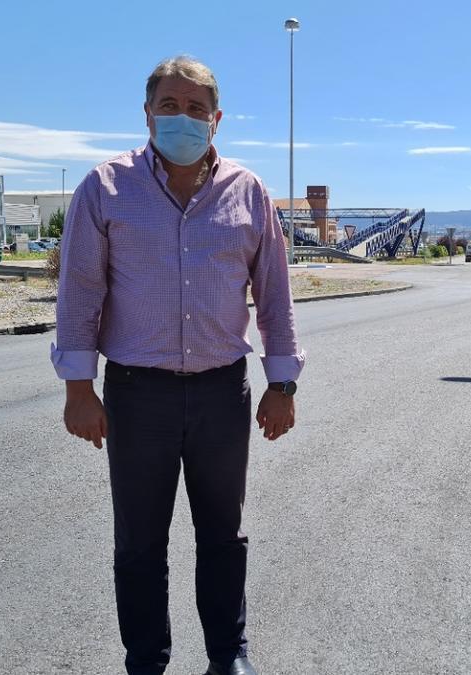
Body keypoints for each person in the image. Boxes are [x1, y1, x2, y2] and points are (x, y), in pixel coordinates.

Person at [52, 56, 304, 675]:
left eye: (196, 109)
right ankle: (146, 659)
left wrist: (283, 384)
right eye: (170, 105)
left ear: (216, 120)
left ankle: (228, 655)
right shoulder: (105, 187)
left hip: (223, 393)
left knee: (223, 535)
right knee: (140, 543)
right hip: (139, 396)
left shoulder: (248, 193)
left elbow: (274, 292)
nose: (183, 119)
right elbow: (80, 289)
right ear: (147, 114)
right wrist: (78, 389)